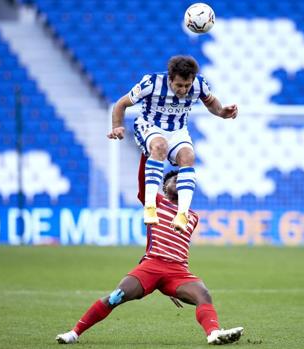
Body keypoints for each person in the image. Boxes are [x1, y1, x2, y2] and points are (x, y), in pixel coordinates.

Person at [55, 154, 244, 346]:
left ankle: (213, 333)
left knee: (203, 295)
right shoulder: (155, 202)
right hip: (151, 266)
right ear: (163, 187)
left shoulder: (192, 216)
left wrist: (171, 289)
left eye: (183, 181)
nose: (179, 182)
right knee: (116, 296)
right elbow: (143, 182)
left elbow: (176, 246)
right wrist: (147, 154)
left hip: (178, 271)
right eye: (175, 179)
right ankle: (74, 333)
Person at [107, 55, 238, 232]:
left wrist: (222, 112)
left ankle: (182, 214)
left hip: (177, 130)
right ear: (170, 78)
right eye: (179, 85)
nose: (183, 90)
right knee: (160, 146)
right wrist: (117, 126)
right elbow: (121, 104)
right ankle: (150, 207)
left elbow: (211, 102)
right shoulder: (152, 82)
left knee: (188, 156)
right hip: (150, 125)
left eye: (187, 85)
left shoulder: (199, 84)